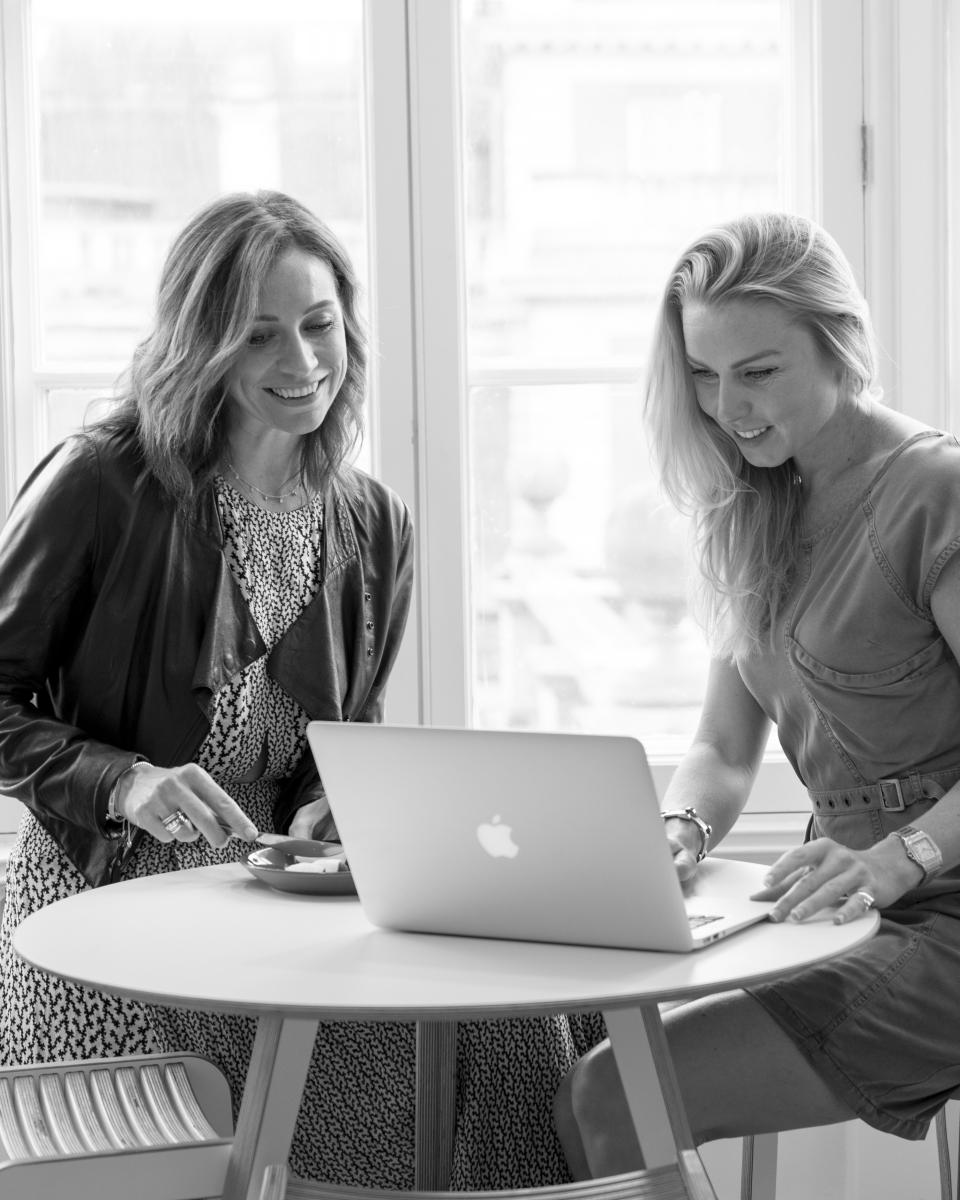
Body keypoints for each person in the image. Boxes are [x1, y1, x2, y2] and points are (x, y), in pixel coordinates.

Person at [0, 189, 602, 1188]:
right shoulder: (100, 483)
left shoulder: (372, 523)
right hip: (113, 915)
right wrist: (121, 781)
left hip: (272, 903)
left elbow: (348, 733)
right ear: (203, 349)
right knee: (447, 1065)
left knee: (533, 1030)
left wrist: (339, 806)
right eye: (260, 336)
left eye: (319, 326)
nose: (302, 362)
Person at [553, 212, 960, 1177]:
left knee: (613, 1095)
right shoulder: (748, 508)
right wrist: (681, 831)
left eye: (760, 370)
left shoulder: (933, 493)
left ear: (840, 345)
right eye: (703, 373)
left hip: (937, 911)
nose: (728, 406)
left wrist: (901, 856)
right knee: (581, 1062)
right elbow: (726, 751)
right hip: (852, 906)